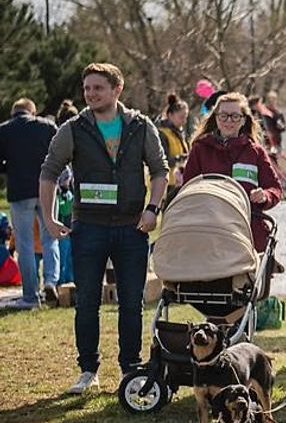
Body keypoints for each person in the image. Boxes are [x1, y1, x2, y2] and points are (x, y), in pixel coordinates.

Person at [39, 63, 169, 395]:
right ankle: (88, 370)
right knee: (87, 302)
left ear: (116, 90)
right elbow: (49, 172)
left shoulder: (141, 126)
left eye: (98, 87)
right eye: (87, 88)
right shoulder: (73, 129)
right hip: (89, 228)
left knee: (130, 302)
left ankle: (130, 367)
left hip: (132, 228)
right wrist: (50, 217)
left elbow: (159, 170)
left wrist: (153, 209)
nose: (90, 94)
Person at [182, 92, 282, 252]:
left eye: (235, 116)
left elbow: (275, 188)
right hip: (209, 231)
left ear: (244, 119)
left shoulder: (255, 152)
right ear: (215, 118)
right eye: (223, 116)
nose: (229, 121)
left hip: (249, 232)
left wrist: (264, 195)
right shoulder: (200, 149)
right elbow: (187, 188)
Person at [0, 98, 59, 308]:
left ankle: (30, 296)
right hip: (47, 188)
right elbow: (61, 155)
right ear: (32, 111)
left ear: (14, 112)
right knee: (50, 236)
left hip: (19, 191)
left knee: (24, 245)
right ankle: (52, 282)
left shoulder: (4, 131)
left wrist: (10, 168)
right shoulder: (47, 127)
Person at [156, 93, 190, 201]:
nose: (184, 121)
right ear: (170, 115)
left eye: (185, 118)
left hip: (179, 181)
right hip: (168, 183)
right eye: (181, 117)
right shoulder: (162, 133)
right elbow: (163, 161)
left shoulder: (180, 133)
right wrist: (182, 158)